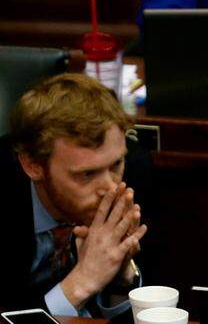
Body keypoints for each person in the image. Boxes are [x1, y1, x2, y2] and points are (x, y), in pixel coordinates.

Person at [0, 74, 147, 318]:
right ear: (33, 165)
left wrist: (121, 277)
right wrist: (82, 281)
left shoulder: (136, 171)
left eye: (115, 165)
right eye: (87, 174)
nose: (111, 188)